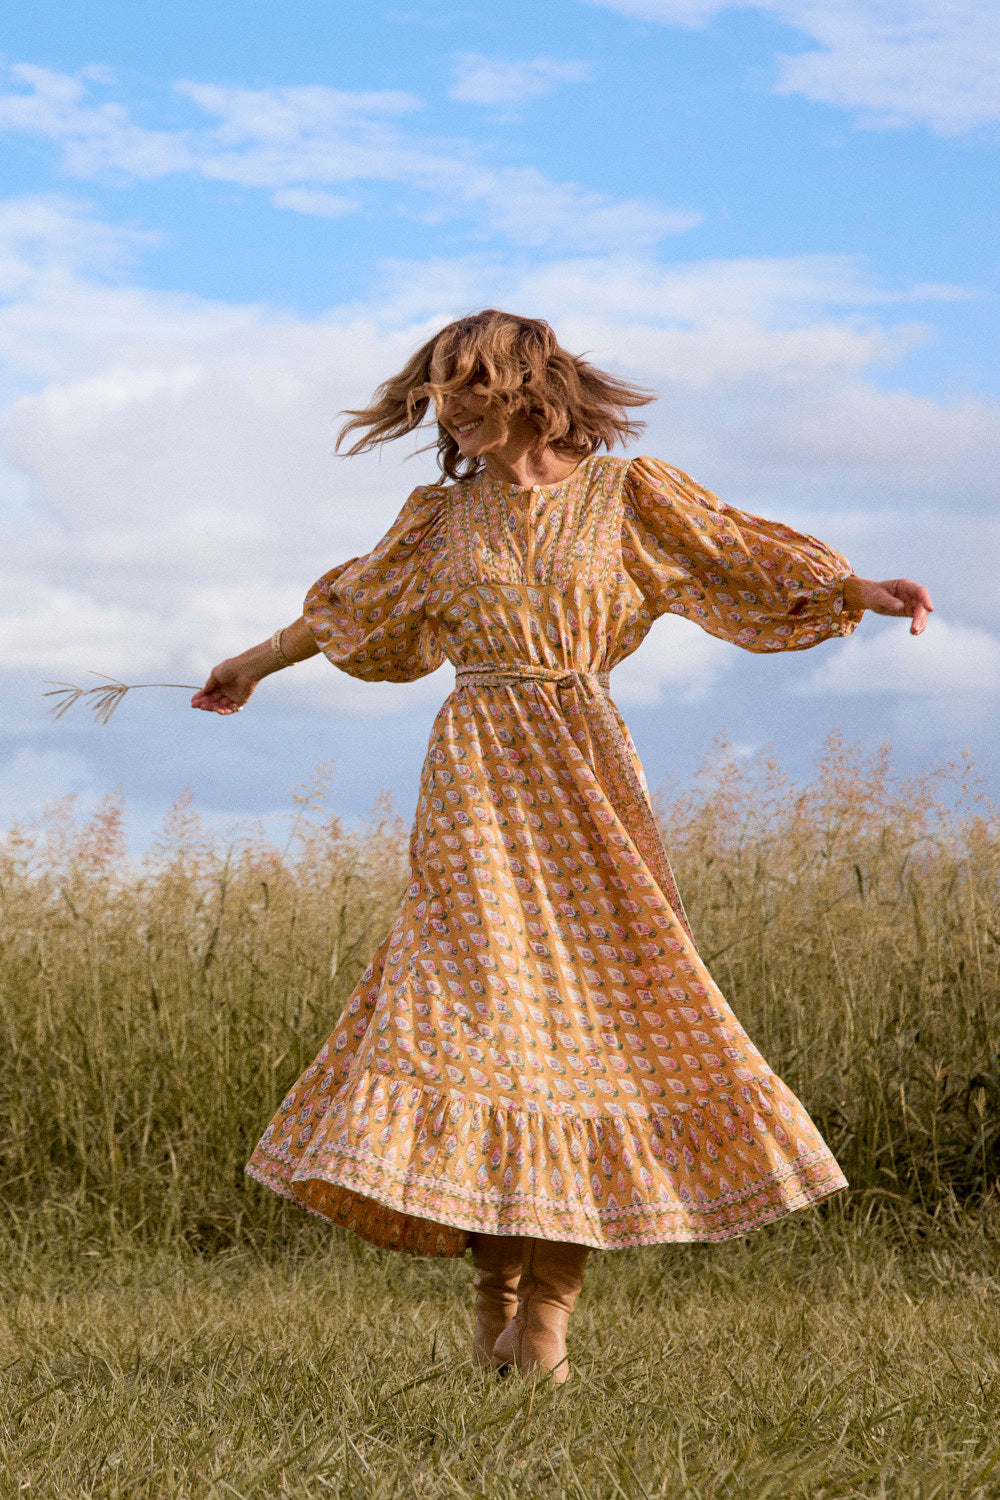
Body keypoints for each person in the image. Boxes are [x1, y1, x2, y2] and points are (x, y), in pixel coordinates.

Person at [192, 309, 932, 1382]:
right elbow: (355, 607)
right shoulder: (439, 519)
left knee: (592, 1035)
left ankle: (546, 1312)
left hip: (586, 776)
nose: (450, 409)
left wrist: (856, 591)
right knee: (482, 1027)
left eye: (470, 388)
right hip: (476, 785)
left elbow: (736, 556)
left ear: (529, 389)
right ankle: (491, 1297)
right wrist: (252, 664)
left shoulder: (630, 495)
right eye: (440, 392)